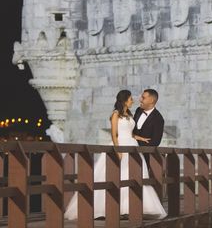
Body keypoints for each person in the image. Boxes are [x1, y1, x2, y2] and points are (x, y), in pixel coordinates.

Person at [64, 89, 167, 220]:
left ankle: (129, 208)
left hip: (133, 147)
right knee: (115, 176)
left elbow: (134, 133)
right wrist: (118, 150)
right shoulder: (118, 114)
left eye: (143, 97)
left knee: (134, 176)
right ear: (124, 100)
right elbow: (114, 134)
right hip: (121, 146)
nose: (136, 100)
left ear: (152, 100)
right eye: (131, 99)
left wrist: (139, 138)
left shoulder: (138, 114)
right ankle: (109, 208)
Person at [132, 89, 164, 169]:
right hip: (130, 153)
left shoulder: (158, 119)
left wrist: (136, 144)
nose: (140, 99)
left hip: (144, 158)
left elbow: (155, 142)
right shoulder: (138, 110)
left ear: (151, 100)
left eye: (143, 98)